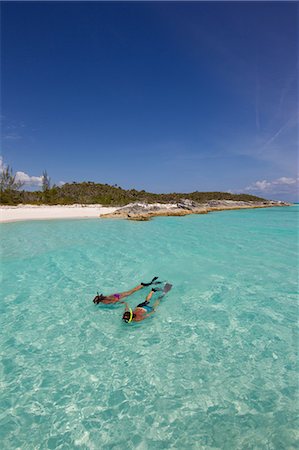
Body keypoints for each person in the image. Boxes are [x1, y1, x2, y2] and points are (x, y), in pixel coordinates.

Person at [93, 277, 161, 305]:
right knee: (131, 291)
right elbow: (111, 297)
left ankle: (143, 285)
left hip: (117, 297)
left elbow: (113, 301)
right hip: (116, 295)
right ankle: (143, 285)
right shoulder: (103, 297)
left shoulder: (104, 302)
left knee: (131, 291)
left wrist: (122, 302)